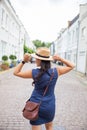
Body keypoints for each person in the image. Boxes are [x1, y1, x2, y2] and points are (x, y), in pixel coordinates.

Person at [14, 47, 75, 130]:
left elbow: (16, 72)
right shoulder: (56, 71)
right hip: (49, 105)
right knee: (49, 126)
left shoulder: (34, 72)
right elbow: (72, 66)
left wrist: (23, 61)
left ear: (40, 60)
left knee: (36, 126)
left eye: (36, 59)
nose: (35, 60)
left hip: (35, 105)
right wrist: (61, 59)